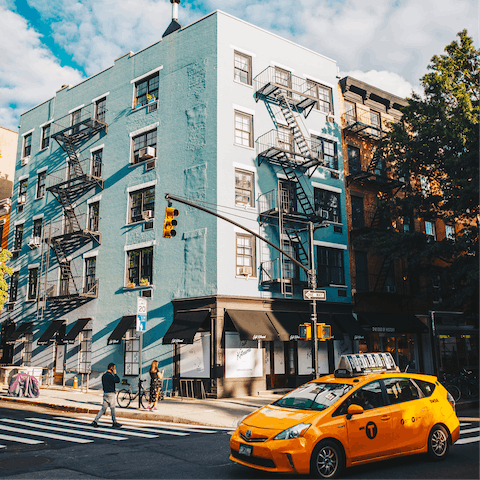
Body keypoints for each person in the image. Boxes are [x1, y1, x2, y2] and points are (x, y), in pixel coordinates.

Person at [91, 363, 122, 428]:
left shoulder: (104, 375)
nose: (115, 369)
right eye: (114, 368)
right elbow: (118, 380)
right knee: (112, 408)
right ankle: (114, 422)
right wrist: (115, 374)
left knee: (103, 408)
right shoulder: (111, 376)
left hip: (105, 393)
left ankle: (95, 421)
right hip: (111, 394)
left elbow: (107, 384)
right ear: (112, 368)